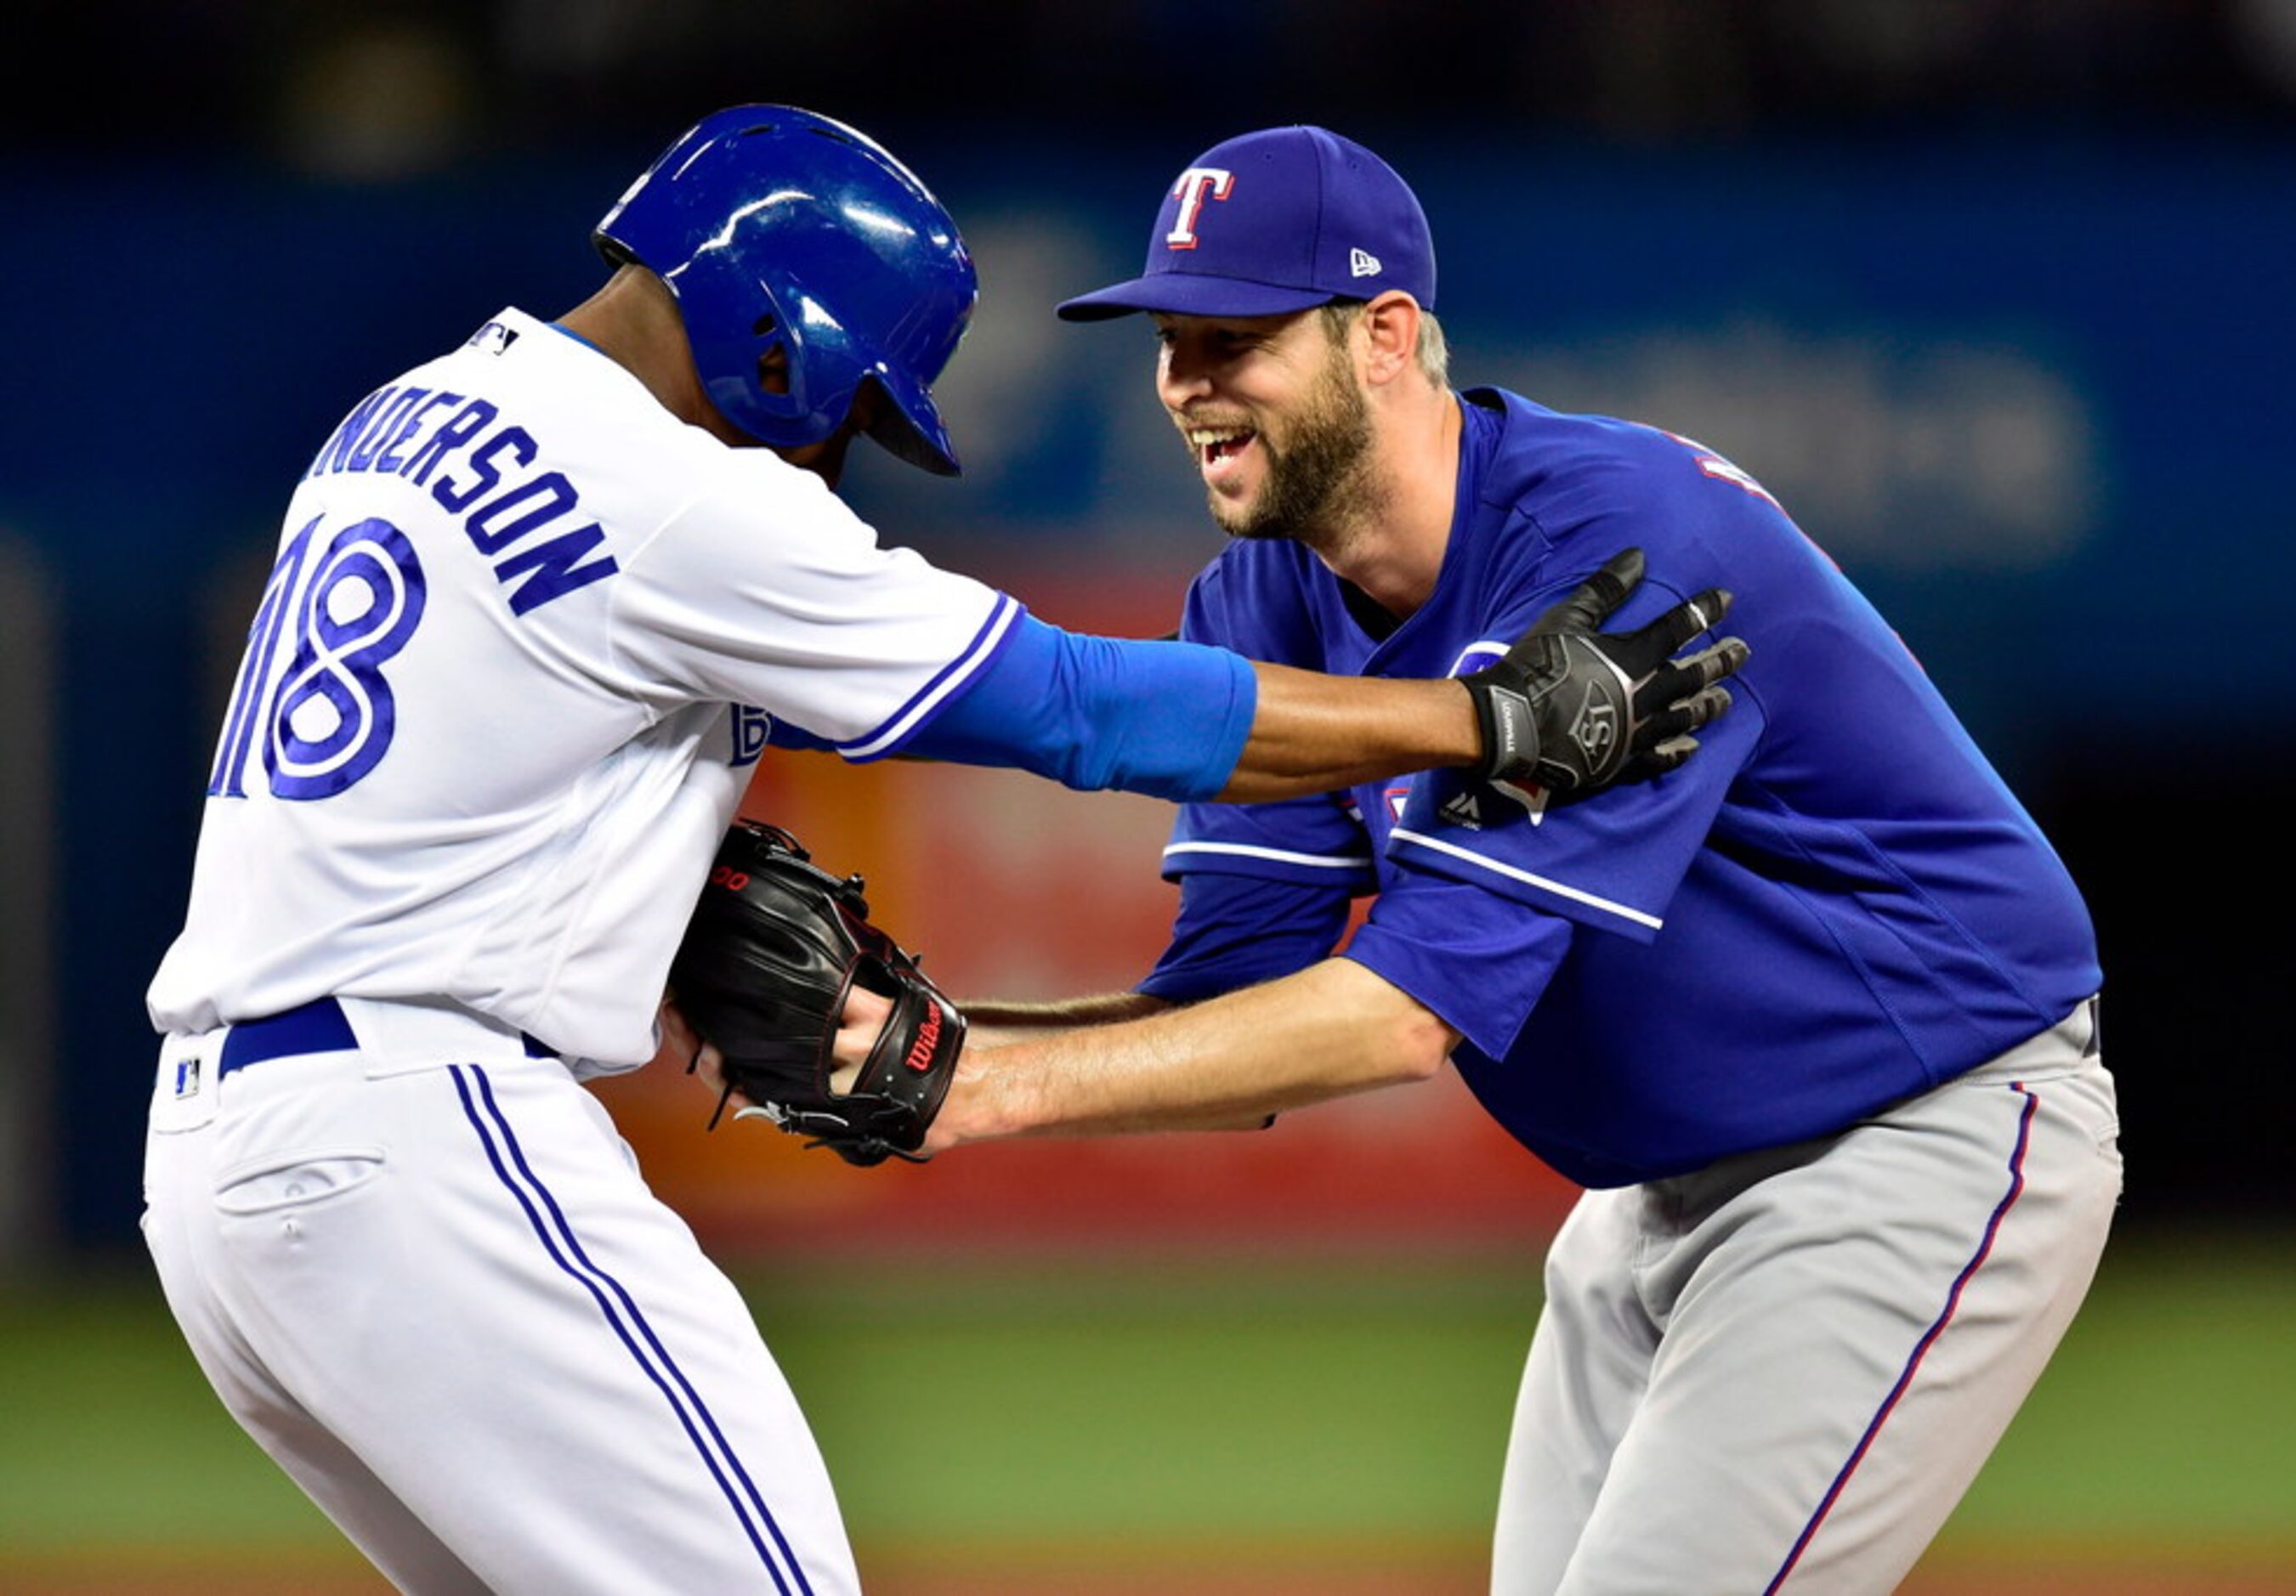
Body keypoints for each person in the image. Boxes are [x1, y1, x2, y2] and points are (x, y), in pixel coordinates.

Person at [137, 107, 1743, 1594]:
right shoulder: (673, 493)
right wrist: (1483, 727)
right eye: (851, 408)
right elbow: (1076, 702)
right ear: (781, 346)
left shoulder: (404, 415)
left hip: (221, 1177)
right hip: (422, 1140)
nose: (834, 450)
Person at [907, 124, 2122, 1594]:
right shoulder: (1259, 599)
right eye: (1170, 339)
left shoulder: (1617, 559)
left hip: (1914, 1135)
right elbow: (1229, 1017)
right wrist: (934, 1044)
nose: (1185, 383)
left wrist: (976, 1089)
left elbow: (1399, 1015)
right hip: (1647, 1197)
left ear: (1386, 336)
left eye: (1234, 335)